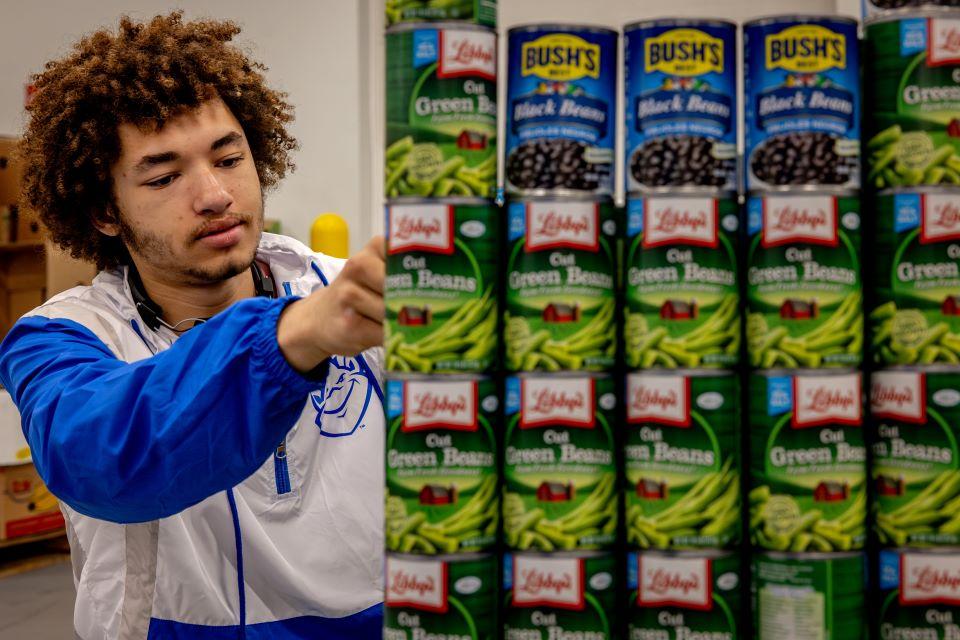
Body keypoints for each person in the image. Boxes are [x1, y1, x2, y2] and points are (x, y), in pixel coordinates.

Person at [0, 12, 386, 639]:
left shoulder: (349, 292)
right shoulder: (59, 337)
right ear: (103, 210)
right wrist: (297, 337)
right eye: (163, 176)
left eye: (229, 158)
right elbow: (103, 459)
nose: (214, 194)